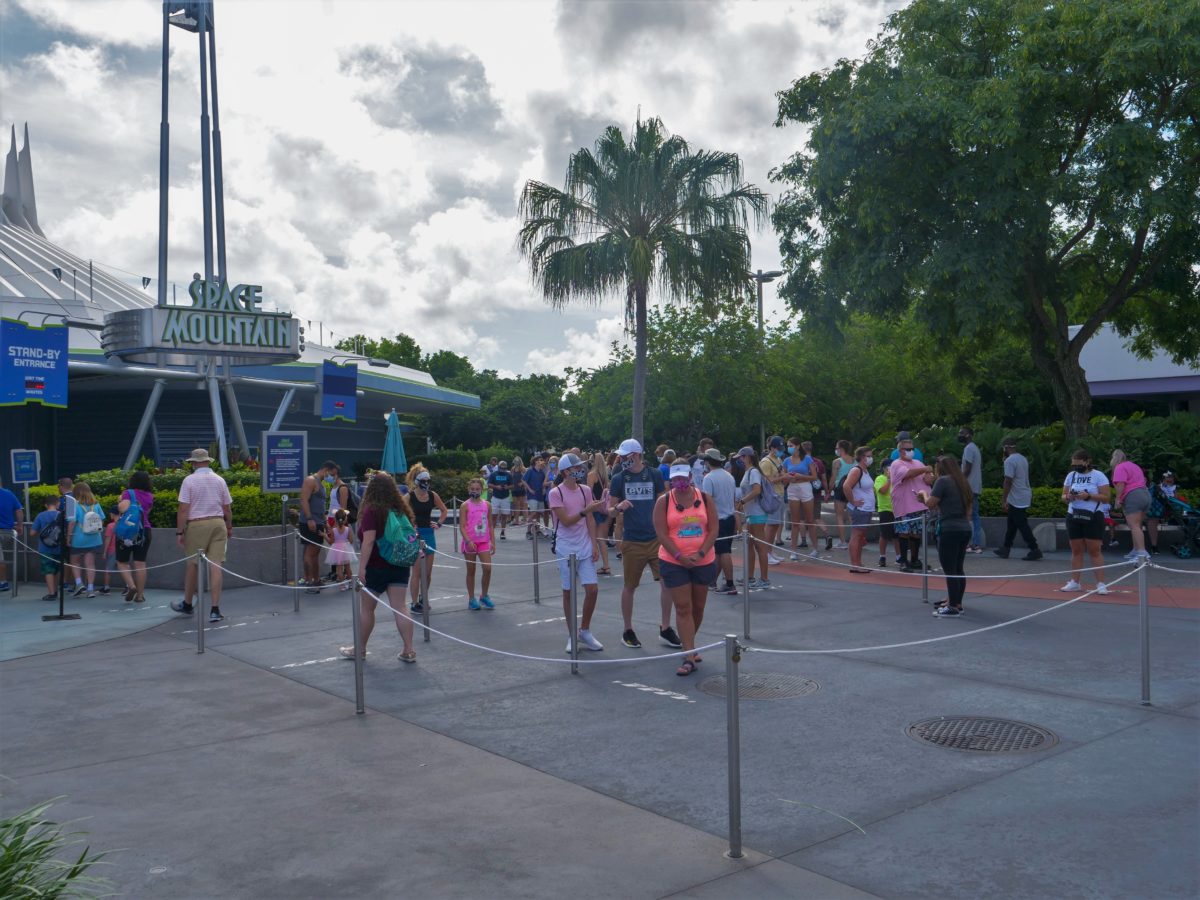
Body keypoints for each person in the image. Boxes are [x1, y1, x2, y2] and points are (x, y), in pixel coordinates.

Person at [608, 438, 679, 649]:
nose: (621, 459)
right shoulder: (619, 478)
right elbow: (609, 510)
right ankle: (627, 629)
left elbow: (664, 502)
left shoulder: (655, 474)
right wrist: (619, 507)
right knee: (629, 586)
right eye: (620, 456)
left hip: (657, 538)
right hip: (632, 539)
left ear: (636, 455)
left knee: (667, 584)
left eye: (625, 456)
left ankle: (665, 628)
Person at [342, 472, 417, 663]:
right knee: (400, 607)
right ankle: (408, 650)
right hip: (399, 563)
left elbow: (368, 542)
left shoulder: (371, 511)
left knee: (367, 609)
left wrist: (361, 568)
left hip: (376, 566)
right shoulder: (401, 509)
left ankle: (360, 649)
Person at [655, 463, 718, 676]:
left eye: (683, 478)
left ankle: (689, 644)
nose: (679, 483)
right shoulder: (664, 501)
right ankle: (689, 655)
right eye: (675, 479)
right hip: (674, 561)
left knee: (698, 607)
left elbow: (714, 529)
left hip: (703, 559)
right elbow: (662, 534)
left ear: (691, 476)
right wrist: (680, 556)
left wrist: (700, 553)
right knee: (683, 607)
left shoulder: (705, 498)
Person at [550, 453, 607, 653]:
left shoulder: (585, 491)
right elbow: (565, 521)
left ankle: (585, 630)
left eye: (580, 467)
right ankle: (572, 634)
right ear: (566, 471)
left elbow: (590, 520)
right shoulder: (556, 493)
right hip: (565, 547)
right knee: (568, 592)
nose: (580, 470)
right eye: (576, 467)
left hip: (583, 546)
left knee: (592, 590)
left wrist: (593, 545)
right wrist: (585, 511)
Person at [171, 448, 234, 622]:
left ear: (193, 463)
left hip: (197, 524)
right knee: (216, 565)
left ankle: (188, 603)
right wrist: (229, 526)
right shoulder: (220, 480)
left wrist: (179, 531)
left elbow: (183, 509)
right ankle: (215, 609)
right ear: (208, 461)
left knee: (193, 564)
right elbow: (227, 507)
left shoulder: (189, 481)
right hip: (218, 523)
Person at [917, 456, 974, 616]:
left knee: (949, 569)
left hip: (949, 529)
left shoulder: (943, 481)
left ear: (940, 468)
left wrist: (923, 494)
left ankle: (953, 607)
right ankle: (957, 602)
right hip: (964, 527)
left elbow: (930, 504)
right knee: (958, 568)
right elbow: (969, 510)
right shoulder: (964, 483)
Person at [1061, 449, 1110, 595]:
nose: (1076, 467)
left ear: (1087, 461)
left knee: (1094, 550)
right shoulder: (1072, 475)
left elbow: (1107, 497)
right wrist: (1068, 497)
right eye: (1074, 465)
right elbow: (1063, 495)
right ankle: (1075, 582)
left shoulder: (1098, 476)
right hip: (1073, 514)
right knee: (1076, 550)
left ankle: (1101, 583)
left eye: (1078, 464)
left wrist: (1088, 496)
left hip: (1093, 516)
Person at [888, 435, 934, 572]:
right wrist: (925, 469)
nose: (911, 451)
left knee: (916, 533)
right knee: (904, 533)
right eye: (908, 449)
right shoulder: (896, 464)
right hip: (904, 504)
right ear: (901, 450)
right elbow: (907, 474)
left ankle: (914, 560)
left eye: (912, 448)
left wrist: (929, 477)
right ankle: (903, 561)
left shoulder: (918, 463)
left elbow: (927, 479)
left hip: (919, 504)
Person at [405, 465, 448, 613]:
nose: (426, 483)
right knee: (416, 572)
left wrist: (439, 523)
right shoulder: (409, 496)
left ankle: (424, 597)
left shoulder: (432, 495)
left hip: (429, 533)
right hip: (415, 535)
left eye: (428, 480)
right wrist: (410, 526)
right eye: (423, 480)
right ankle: (414, 602)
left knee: (428, 573)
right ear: (417, 481)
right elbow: (399, 513)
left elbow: (444, 510)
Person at [993, 439, 1042, 560]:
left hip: (1017, 497)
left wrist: (1004, 499)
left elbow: (1008, 480)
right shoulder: (1022, 458)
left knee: (1021, 524)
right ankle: (1006, 548)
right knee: (1012, 524)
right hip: (1023, 494)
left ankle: (1034, 548)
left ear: (1006, 448)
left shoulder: (1009, 461)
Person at [733, 446, 772, 589]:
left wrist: (743, 501)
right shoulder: (749, 471)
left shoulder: (754, 471)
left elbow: (757, 490)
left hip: (757, 513)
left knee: (760, 547)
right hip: (751, 513)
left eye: (741, 458)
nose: (740, 460)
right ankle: (750, 577)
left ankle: (764, 578)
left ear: (747, 457)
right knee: (750, 545)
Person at [701, 448, 738, 594]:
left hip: (718, 519)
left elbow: (707, 501)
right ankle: (713, 581)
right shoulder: (729, 476)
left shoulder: (709, 478)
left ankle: (730, 583)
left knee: (723, 552)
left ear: (708, 461)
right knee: (719, 551)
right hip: (729, 517)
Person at [299, 460, 338, 593]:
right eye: (332, 474)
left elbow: (320, 506)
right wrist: (309, 519)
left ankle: (316, 579)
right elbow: (304, 500)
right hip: (310, 522)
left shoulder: (321, 484)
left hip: (319, 522)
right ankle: (310, 581)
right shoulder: (310, 480)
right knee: (310, 553)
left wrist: (325, 522)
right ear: (326, 470)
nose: (332, 477)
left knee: (315, 553)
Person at [115, 470, 154, 603]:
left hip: (127, 532)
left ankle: (131, 586)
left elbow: (122, 508)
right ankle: (140, 595)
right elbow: (146, 512)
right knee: (140, 563)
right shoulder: (150, 496)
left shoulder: (128, 493)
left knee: (122, 562)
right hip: (144, 531)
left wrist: (120, 500)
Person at [1110, 450, 1151, 561]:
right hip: (1145, 495)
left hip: (1133, 496)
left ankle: (1142, 553)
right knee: (1137, 526)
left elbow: (1121, 484)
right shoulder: (1134, 466)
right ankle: (1136, 550)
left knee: (1134, 526)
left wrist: (1117, 499)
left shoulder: (1120, 467)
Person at [460, 477, 495, 610]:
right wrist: (468, 540)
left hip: (483, 541)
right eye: (472, 489)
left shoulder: (487, 505)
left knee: (487, 569)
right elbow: (462, 526)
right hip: (470, 543)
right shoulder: (465, 505)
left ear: (482, 490)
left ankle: (484, 596)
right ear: (469, 489)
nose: (475, 491)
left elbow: (490, 525)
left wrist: (493, 542)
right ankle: (471, 599)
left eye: (477, 489)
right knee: (471, 571)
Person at [784, 438, 818, 560]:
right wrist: (788, 478)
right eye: (788, 446)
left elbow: (814, 476)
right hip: (792, 488)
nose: (789, 448)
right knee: (795, 521)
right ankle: (793, 550)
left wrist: (801, 476)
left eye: (791, 445)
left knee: (810, 519)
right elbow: (784, 476)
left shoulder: (807, 459)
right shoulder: (786, 460)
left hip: (805, 487)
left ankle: (815, 548)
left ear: (798, 446)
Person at [842, 447, 876, 573]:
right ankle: (854, 565)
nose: (871, 458)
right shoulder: (856, 470)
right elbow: (846, 486)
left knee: (860, 536)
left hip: (866, 508)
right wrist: (853, 501)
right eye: (868, 455)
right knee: (856, 535)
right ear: (862, 457)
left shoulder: (865, 470)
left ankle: (858, 562)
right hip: (860, 509)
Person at [68, 483, 104, 598]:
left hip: (79, 538)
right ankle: (90, 589)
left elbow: (72, 522)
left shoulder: (75, 505)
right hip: (94, 538)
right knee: (90, 564)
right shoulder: (96, 504)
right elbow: (102, 520)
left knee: (75, 561)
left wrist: (68, 537)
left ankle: (79, 584)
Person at [759, 436, 788, 563]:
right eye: (778, 448)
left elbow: (780, 474)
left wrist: (785, 477)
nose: (780, 451)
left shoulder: (778, 459)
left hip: (780, 494)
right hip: (772, 496)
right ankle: (766, 553)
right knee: (770, 525)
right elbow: (766, 480)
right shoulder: (766, 462)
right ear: (772, 448)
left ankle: (770, 551)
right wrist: (782, 477)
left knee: (776, 524)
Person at [958, 426, 985, 553]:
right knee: (974, 515)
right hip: (975, 486)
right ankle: (975, 544)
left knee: (969, 515)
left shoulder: (969, 448)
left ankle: (971, 544)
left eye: (962, 433)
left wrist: (959, 481)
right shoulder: (974, 448)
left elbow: (967, 469)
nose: (960, 435)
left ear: (968, 434)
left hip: (969, 487)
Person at [586, 452, 613, 575]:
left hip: (594, 508)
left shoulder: (592, 475)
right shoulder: (605, 476)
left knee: (592, 537)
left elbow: (587, 492)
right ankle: (606, 565)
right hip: (603, 508)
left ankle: (591, 563)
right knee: (601, 538)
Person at [31, 496, 62, 601]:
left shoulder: (40, 516)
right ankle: (56, 590)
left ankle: (51, 593)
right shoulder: (61, 515)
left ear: (46, 505)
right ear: (58, 503)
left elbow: (32, 532)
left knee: (48, 570)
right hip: (59, 547)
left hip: (45, 548)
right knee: (56, 570)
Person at [1146, 471, 1184, 554]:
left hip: (1169, 510)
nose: (1170, 479)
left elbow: (1176, 501)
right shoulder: (1157, 488)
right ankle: (1154, 546)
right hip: (1157, 510)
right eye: (1167, 477)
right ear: (1163, 479)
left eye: (1171, 478)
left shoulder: (1174, 488)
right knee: (1153, 520)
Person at [0, 475, 25, 593]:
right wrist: (20, 525)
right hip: (8, 532)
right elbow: (19, 510)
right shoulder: (9, 494)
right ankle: (3, 582)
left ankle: (3, 582)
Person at [829, 439, 855, 549]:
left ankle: (843, 541)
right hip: (852, 489)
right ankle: (856, 540)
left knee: (839, 516)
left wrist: (829, 490)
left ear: (841, 449)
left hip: (840, 489)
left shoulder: (837, 461)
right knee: (852, 516)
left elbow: (833, 478)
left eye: (837, 448)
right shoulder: (855, 461)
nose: (836, 450)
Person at [874, 458, 901, 567]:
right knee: (884, 534)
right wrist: (889, 479)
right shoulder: (880, 478)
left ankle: (899, 556)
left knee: (897, 535)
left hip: (897, 509)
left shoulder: (897, 479)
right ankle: (882, 556)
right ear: (885, 468)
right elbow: (883, 491)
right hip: (885, 510)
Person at [324, 510, 356, 590]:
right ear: (345, 519)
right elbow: (351, 541)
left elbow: (331, 542)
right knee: (348, 567)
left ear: (335, 519)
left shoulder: (333, 530)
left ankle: (342, 586)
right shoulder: (348, 529)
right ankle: (351, 584)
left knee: (339, 569)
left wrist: (324, 535)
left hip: (337, 550)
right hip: (345, 549)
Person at [487, 460, 514, 539]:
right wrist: (496, 487)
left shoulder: (508, 475)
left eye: (504, 468)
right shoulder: (493, 474)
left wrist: (507, 487)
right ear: (498, 467)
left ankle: (502, 532)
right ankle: (491, 533)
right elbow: (489, 484)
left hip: (505, 497)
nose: (503, 469)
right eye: (501, 468)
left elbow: (512, 485)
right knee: (493, 516)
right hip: (495, 497)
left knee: (504, 516)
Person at [523, 454, 548, 538]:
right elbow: (523, 481)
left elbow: (544, 482)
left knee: (538, 513)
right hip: (532, 495)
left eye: (541, 460)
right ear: (535, 462)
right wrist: (529, 489)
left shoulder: (542, 472)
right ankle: (528, 531)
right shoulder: (530, 471)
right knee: (533, 512)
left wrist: (544, 489)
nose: (541, 462)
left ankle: (537, 530)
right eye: (539, 460)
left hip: (540, 495)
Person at [100, 507, 119, 594]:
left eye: (110, 513)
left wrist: (104, 552)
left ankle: (106, 587)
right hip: (122, 549)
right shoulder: (124, 524)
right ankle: (128, 585)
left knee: (108, 569)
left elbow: (108, 539)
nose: (110, 515)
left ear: (113, 514)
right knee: (124, 567)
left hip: (112, 550)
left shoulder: (110, 526)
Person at [510, 456, 528, 528]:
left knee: (523, 505)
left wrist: (522, 483)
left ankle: (525, 520)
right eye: (515, 461)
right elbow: (511, 478)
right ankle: (516, 520)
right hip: (514, 489)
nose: (516, 463)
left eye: (517, 461)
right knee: (516, 505)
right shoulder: (513, 469)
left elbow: (527, 478)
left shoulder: (523, 469)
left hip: (521, 489)